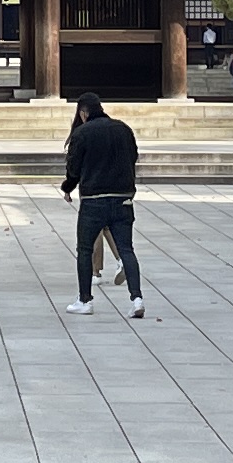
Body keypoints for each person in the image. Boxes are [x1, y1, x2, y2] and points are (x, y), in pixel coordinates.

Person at [57, 90, 143, 318]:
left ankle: (85, 300)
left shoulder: (82, 133)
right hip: (123, 197)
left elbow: (73, 169)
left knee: (85, 250)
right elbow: (133, 157)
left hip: (94, 200)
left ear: (83, 113)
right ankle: (137, 299)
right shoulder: (123, 129)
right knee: (126, 249)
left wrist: (67, 187)